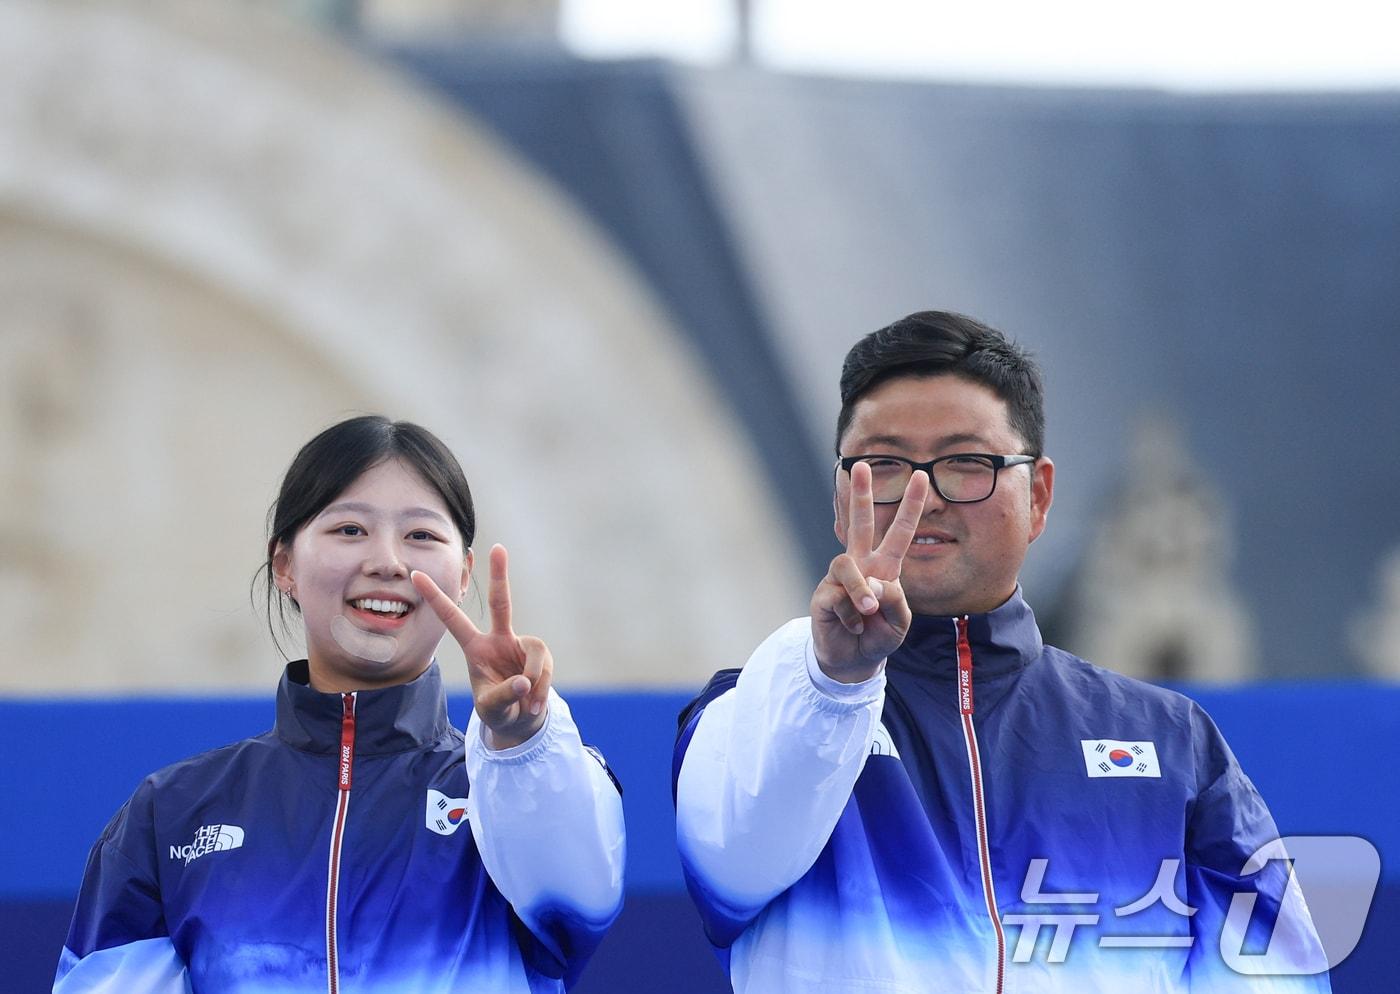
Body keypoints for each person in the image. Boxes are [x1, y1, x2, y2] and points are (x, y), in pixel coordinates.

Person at [674, 311, 1329, 993]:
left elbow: (1275, 977)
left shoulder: (1170, 740)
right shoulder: (750, 711)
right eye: (885, 465)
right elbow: (734, 862)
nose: (921, 498)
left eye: (965, 462)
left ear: (1038, 496)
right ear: (843, 499)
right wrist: (836, 683)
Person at [55, 416, 625, 994]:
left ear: (463, 575)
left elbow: (581, 901)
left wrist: (521, 741)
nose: (387, 562)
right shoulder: (171, 814)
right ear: (284, 565)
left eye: (421, 536)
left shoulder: (512, 792)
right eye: (350, 530)